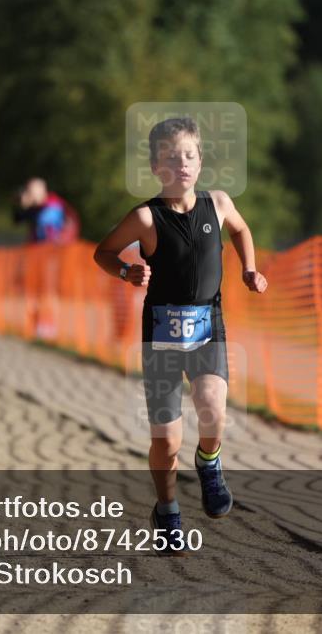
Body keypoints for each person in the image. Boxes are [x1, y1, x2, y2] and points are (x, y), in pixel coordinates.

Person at [93, 117, 267, 556]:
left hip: (208, 326)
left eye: (189, 155)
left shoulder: (218, 203)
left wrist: (249, 268)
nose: (182, 164)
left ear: (200, 161)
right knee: (166, 441)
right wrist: (126, 271)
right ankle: (167, 511)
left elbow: (241, 229)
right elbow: (103, 252)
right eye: (171, 157)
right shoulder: (144, 217)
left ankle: (209, 462)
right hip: (161, 336)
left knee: (212, 408)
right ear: (156, 167)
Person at [14, 177, 79, 244]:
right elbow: (17, 220)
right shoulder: (36, 208)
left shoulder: (52, 207)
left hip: (54, 247)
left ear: (41, 190)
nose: (30, 195)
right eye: (28, 191)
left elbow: (46, 236)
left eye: (31, 192)